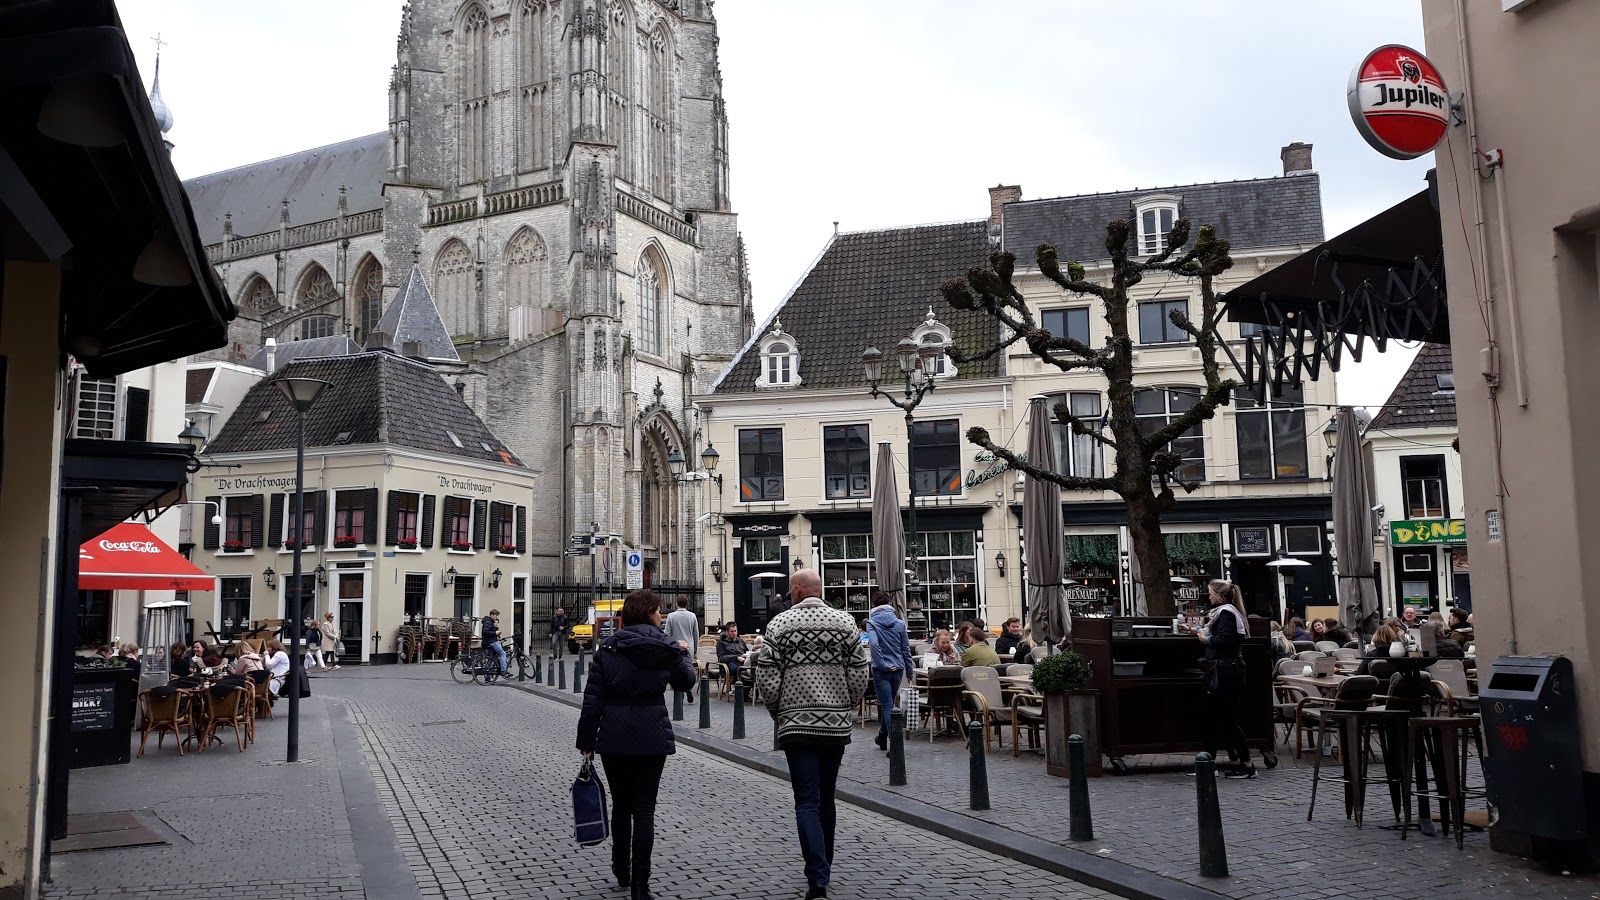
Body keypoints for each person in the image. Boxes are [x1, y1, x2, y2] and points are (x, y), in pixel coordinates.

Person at [755, 568, 870, 900]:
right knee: (826, 796)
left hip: (796, 726)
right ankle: (826, 865)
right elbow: (860, 671)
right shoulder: (845, 622)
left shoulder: (780, 625)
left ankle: (817, 876)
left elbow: (767, 676)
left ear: (796, 590)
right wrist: (846, 705)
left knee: (806, 800)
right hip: (834, 726)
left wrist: (780, 713)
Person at [576, 589, 696, 900]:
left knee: (621, 805)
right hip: (651, 734)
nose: (662, 616)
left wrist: (586, 740)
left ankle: (621, 868)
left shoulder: (607, 649)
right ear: (648, 613)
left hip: (613, 736)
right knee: (645, 810)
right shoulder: (665, 647)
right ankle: (641, 885)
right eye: (658, 611)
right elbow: (686, 683)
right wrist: (682, 653)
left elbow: (593, 700)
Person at [1192, 579, 1254, 778]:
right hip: (1224, 670)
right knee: (1217, 716)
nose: (1208, 596)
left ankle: (1247, 764)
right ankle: (1222, 761)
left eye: (1210, 593)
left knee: (1226, 718)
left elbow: (1225, 641)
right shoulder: (1225, 613)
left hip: (1225, 672)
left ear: (1218, 595)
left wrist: (1205, 638)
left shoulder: (1226, 613)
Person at [864, 593, 914, 753]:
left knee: (887, 705)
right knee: (890, 703)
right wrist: (909, 671)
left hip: (881, 670)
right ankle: (882, 736)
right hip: (898, 669)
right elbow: (906, 649)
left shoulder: (872, 623)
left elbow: (873, 644)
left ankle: (895, 745)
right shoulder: (899, 623)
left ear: (873, 605)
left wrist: (882, 664)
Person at [715, 622, 748, 687]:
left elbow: (747, 652)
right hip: (729, 664)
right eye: (732, 631)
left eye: (735, 631)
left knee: (751, 669)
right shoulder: (721, 643)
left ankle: (746, 690)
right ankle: (739, 689)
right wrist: (737, 657)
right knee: (741, 671)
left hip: (742, 662)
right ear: (727, 632)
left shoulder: (740, 641)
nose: (734, 633)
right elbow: (722, 658)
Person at [481, 609, 508, 675]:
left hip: (489, 642)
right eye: (496, 615)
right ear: (492, 615)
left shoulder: (490, 622)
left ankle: (487, 677)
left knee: (491, 658)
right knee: (502, 653)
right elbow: (485, 632)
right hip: (491, 642)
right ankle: (504, 671)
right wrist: (495, 632)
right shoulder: (488, 622)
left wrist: (496, 628)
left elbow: (489, 631)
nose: (496, 617)